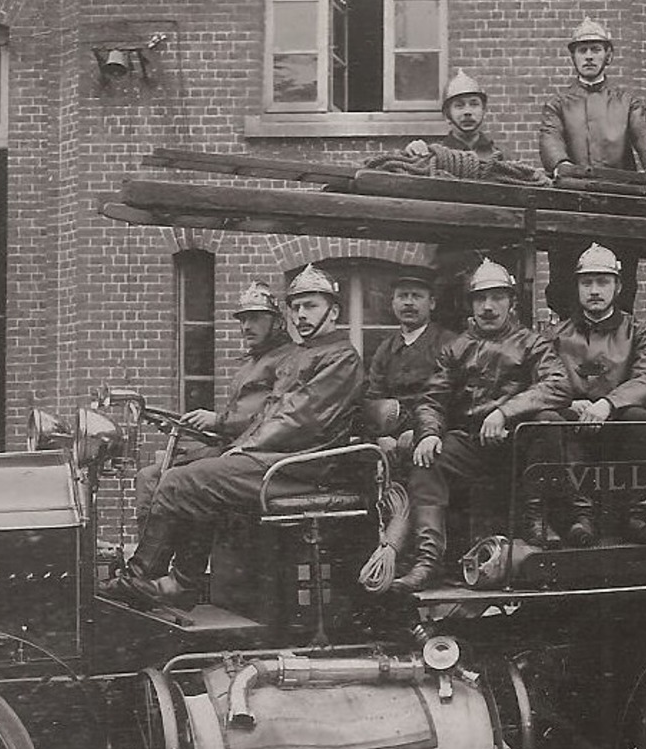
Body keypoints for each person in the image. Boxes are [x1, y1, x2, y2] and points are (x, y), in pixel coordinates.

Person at [109, 264, 363, 609]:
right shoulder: (304, 354)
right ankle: (175, 581)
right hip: (276, 459)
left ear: (333, 311)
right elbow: (269, 413)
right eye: (296, 306)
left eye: (311, 306)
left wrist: (244, 445)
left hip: (302, 468)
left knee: (181, 482)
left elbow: (299, 419)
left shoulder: (341, 357)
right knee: (177, 477)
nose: (301, 315)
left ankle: (148, 578)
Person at [392, 258, 570, 591]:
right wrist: (429, 434)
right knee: (426, 458)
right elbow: (432, 400)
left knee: (548, 421)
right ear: (470, 303)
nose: (488, 307)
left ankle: (537, 521)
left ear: (512, 302)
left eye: (497, 297)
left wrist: (505, 413)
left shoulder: (533, 343)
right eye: (480, 298)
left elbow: (557, 384)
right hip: (473, 446)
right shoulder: (455, 348)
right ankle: (428, 560)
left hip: (519, 447)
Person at [535, 243, 646, 546]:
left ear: (618, 286)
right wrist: (569, 404)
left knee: (640, 417)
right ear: (577, 287)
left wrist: (609, 404)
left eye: (603, 282)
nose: (594, 290)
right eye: (587, 283)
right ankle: (581, 517)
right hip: (574, 426)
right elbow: (542, 379)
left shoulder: (637, 332)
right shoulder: (556, 336)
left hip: (618, 426)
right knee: (548, 419)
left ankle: (635, 515)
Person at [538, 18, 646, 319]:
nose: (589, 56)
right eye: (582, 50)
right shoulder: (558, 103)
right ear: (573, 56)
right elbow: (550, 138)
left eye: (596, 49)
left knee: (621, 287)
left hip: (617, 207)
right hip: (572, 206)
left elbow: (645, 135)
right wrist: (561, 166)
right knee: (564, 288)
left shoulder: (626, 100)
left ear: (608, 55)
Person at [134, 280, 293, 517]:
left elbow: (270, 419)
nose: (247, 326)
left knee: (171, 479)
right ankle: (161, 552)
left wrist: (218, 421)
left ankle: (180, 554)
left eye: (256, 318)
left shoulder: (288, 361)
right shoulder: (251, 363)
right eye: (243, 319)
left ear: (278, 322)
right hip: (229, 448)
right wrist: (184, 427)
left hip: (255, 457)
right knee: (147, 477)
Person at [365, 268, 457, 461]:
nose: (408, 302)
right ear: (393, 303)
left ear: (431, 303)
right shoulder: (385, 348)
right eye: (402, 296)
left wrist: (418, 432)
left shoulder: (449, 344)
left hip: (434, 438)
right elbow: (373, 397)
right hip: (388, 442)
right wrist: (381, 435)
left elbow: (451, 400)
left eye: (416, 296)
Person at [404, 69, 504, 162]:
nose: (467, 112)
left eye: (474, 104)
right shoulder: (434, 156)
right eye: (459, 106)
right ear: (447, 116)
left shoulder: (501, 157)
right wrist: (412, 152)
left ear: (484, 111)